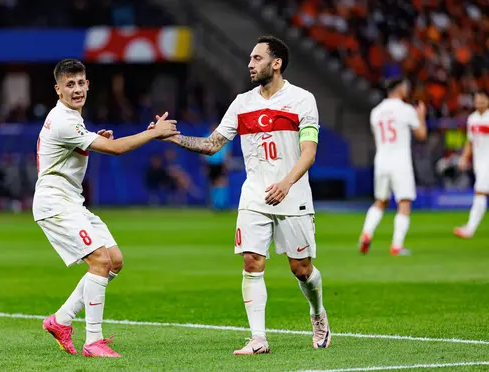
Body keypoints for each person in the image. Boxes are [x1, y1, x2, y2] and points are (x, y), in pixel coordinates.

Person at [151, 36, 329, 353]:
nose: (250, 63)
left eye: (257, 58)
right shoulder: (242, 103)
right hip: (254, 196)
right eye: (250, 58)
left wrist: (287, 183)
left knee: (301, 269)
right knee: (251, 261)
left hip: (293, 193)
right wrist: (174, 137)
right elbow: (212, 144)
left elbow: (309, 153)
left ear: (277, 63)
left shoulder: (302, 100)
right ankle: (258, 338)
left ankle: (317, 313)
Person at [34, 59, 178, 358]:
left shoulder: (71, 118)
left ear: (87, 84)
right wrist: (153, 133)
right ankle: (93, 341)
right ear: (58, 89)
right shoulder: (65, 120)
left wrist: (92, 140)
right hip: (55, 202)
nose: (76, 89)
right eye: (69, 85)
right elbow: (115, 150)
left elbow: (82, 147)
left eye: (80, 83)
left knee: (114, 260)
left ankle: (60, 320)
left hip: (71, 201)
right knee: (100, 261)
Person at [359, 78, 427, 256]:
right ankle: (397, 245)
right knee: (404, 202)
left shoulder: (376, 112)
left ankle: (367, 232)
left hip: (381, 160)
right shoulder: (406, 110)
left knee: (380, 201)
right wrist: (421, 117)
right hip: (400, 161)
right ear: (400, 88)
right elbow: (421, 134)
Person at [454, 91, 489, 239]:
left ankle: (470, 229)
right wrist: (464, 157)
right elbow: (470, 141)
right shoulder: (472, 119)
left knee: (480, 192)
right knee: (481, 192)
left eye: (482, 99)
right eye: (477, 99)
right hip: (479, 162)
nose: (479, 102)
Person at [203, 123, 232, 210]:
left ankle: (223, 204)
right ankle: (214, 205)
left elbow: (227, 153)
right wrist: (205, 165)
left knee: (222, 183)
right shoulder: (206, 137)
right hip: (211, 164)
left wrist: (226, 164)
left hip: (220, 163)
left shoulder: (222, 139)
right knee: (212, 184)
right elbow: (203, 152)